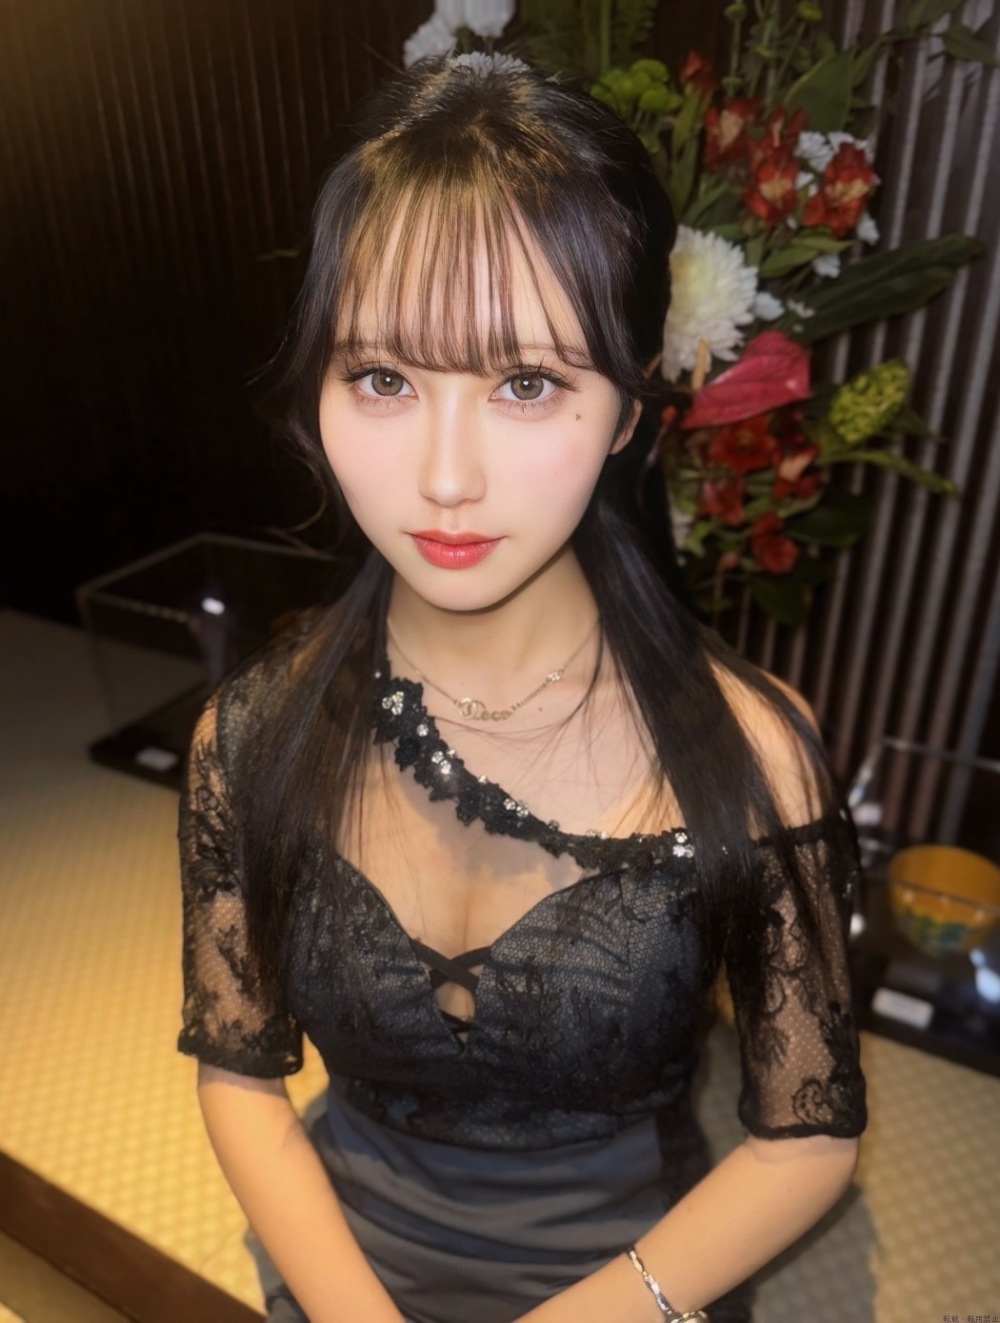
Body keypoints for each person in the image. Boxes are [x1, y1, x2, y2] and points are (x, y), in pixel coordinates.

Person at [177, 51, 867, 1323]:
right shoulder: (252, 733)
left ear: (628, 410)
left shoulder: (752, 752)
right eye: (383, 379)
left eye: (528, 384)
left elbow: (806, 1141)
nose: (446, 478)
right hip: (342, 1268)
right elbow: (240, 1076)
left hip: (638, 1285)